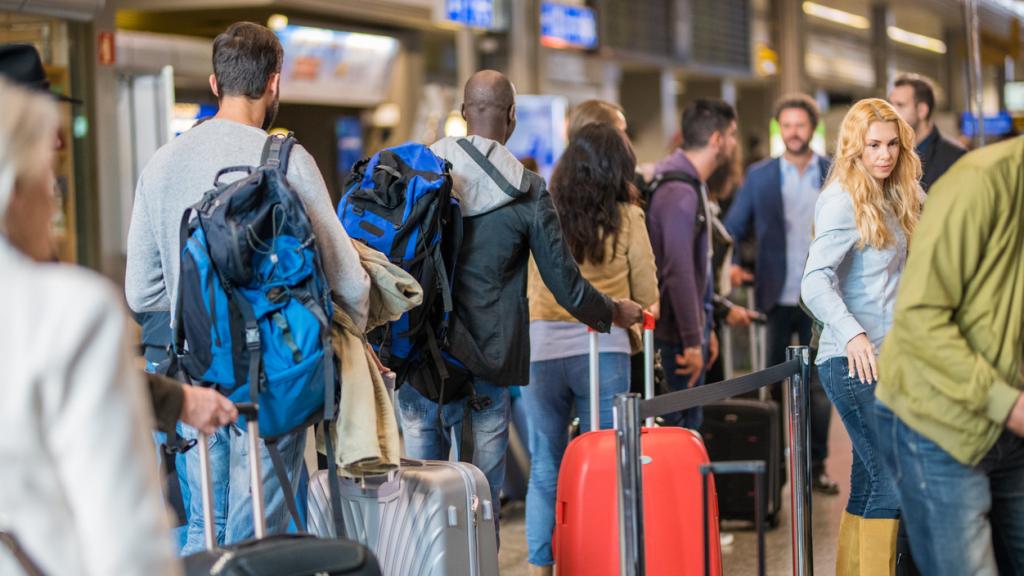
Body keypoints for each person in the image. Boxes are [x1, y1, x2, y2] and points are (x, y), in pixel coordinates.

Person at [124, 22, 370, 553]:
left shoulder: (162, 165)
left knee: (201, 529)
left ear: (215, 84)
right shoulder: (286, 161)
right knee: (262, 533)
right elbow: (350, 280)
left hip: (192, 375)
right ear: (274, 84)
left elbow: (141, 292)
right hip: (274, 379)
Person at [418, 70, 643, 542]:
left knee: (424, 496)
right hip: (489, 360)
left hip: (422, 358)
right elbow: (565, 283)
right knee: (481, 496)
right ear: (512, 118)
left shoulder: (421, 169)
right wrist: (612, 313)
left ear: (463, 114)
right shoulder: (525, 188)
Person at [0, 78, 181, 576]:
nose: (54, 198)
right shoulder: (67, 311)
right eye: (49, 176)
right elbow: (126, 539)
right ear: (14, 189)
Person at [876, 134, 1024, 575]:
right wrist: (1009, 404)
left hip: (1010, 428)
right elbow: (921, 320)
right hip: (936, 424)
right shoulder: (979, 184)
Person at [523, 123, 658, 575]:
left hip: (541, 348)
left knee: (545, 462)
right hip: (605, 349)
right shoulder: (628, 218)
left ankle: (543, 565)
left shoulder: (541, 211)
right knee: (605, 459)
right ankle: (603, 559)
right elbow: (647, 291)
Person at [802, 98, 923, 575]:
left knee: (868, 480)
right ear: (854, 147)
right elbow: (813, 280)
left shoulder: (898, 194)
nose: (884, 154)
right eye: (873, 145)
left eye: (892, 144)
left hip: (887, 358)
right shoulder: (842, 199)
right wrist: (852, 333)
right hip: (851, 359)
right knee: (893, 481)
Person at [724, 94, 837, 493]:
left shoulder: (833, 172)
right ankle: (774, 467)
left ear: (813, 129)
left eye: (800, 125)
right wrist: (732, 262)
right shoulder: (760, 176)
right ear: (779, 130)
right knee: (771, 384)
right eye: (786, 125)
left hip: (820, 298)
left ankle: (817, 464)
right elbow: (732, 227)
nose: (793, 132)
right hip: (774, 294)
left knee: (819, 387)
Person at [648, 98, 737, 429]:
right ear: (716, 139)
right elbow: (679, 270)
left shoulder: (690, 184)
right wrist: (690, 339)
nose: (733, 144)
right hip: (674, 341)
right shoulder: (678, 191)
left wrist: (707, 326)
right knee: (682, 434)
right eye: (732, 135)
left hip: (687, 332)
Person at [888, 74, 965, 192]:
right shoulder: (889, 153)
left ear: (922, 110)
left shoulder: (954, 158)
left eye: (900, 105)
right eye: (890, 104)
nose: (890, 112)